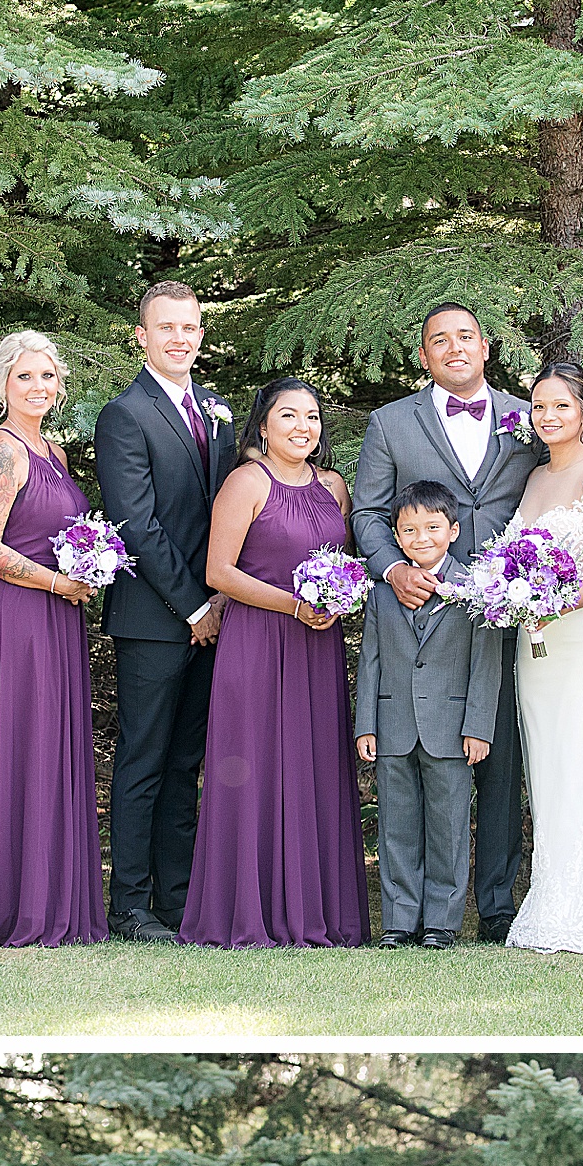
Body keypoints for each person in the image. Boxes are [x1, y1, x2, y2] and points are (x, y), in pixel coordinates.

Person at [351, 303, 540, 940]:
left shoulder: (527, 417)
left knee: (501, 757)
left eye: (465, 337)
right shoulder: (390, 423)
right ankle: (422, 917)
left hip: (510, 612)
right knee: (423, 776)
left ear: (486, 347)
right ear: (424, 355)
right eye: (439, 340)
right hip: (417, 606)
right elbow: (370, 513)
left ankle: (495, 907)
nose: (453, 347)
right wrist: (390, 571)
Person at [179, 379, 369, 949]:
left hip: (318, 647)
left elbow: (348, 561)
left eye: (311, 417)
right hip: (259, 642)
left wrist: (338, 597)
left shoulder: (333, 487)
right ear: (263, 425)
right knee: (255, 766)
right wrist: (293, 603)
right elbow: (219, 572)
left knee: (314, 767)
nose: (302, 427)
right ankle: (248, 910)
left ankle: (319, 911)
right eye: (288, 416)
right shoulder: (246, 481)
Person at [0, 332, 107, 948]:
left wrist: (87, 568)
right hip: (16, 619)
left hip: (58, 619)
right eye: (25, 377)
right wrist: (58, 581)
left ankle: (51, 898)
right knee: (18, 745)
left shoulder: (53, 449)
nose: (39, 388)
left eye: (47, 377)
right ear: (2, 383)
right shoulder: (1, 450)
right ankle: (8, 906)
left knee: (50, 749)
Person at [95, 280, 238, 941]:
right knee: (144, 759)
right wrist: (191, 607)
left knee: (186, 762)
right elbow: (137, 524)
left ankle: (177, 901)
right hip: (156, 619)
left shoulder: (213, 409)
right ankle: (129, 905)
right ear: (142, 337)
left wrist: (220, 601)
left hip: (213, 613)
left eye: (191, 326)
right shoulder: (125, 414)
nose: (181, 337)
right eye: (167, 327)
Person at [497, 365, 583, 954]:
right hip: (536, 646)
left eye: (561, 406)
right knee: (547, 764)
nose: (548, 417)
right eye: (539, 407)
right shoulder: (532, 480)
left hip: (580, 640)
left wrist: (559, 601)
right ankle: (552, 897)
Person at [354, 481, 499, 949]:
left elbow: (485, 664)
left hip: (451, 731)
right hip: (394, 727)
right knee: (396, 825)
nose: (421, 537)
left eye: (432, 527)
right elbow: (370, 661)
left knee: (449, 827)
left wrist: (478, 726)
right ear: (396, 537)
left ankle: (441, 922)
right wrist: (366, 725)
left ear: (454, 531)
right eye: (409, 529)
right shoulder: (381, 593)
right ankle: (399, 920)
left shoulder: (476, 591)